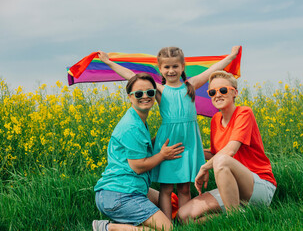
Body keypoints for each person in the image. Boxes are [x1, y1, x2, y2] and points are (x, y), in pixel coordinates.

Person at [97, 46, 241, 219]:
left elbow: (212, 69)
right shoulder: (159, 89)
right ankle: (167, 222)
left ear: (182, 67)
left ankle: (184, 218)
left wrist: (231, 56)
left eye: (175, 66)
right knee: (165, 188)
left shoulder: (191, 85)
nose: (171, 70)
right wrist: (108, 62)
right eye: (166, 67)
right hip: (168, 142)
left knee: (184, 188)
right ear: (160, 69)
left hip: (188, 142)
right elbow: (132, 77)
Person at [177, 71, 277, 222]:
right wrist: (190, 149)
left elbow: (229, 151)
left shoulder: (244, 113)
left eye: (223, 90)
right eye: (212, 92)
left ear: (234, 92)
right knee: (184, 216)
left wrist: (204, 168)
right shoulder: (215, 120)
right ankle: (240, 215)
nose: (217, 95)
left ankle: (234, 220)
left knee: (222, 161)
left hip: (258, 185)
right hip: (231, 186)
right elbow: (215, 154)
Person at [93, 73, 184, 231]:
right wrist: (163, 155)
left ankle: (129, 221)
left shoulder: (138, 119)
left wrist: (162, 137)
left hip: (125, 189)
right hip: (119, 194)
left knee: (172, 201)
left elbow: (141, 148)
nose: (145, 97)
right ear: (130, 97)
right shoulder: (131, 126)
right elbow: (138, 166)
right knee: (167, 229)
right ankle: (109, 228)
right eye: (139, 94)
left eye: (150, 92)